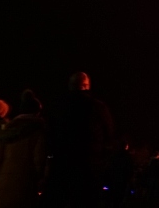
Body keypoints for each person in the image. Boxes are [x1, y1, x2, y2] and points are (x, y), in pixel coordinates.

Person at [44, 72, 114, 208]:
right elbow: (109, 133)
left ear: (70, 86)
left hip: (62, 163)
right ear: (87, 86)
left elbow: (49, 132)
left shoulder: (59, 106)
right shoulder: (98, 107)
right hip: (89, 164)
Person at [0, 89, 46, 208]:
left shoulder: (8, 131)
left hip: (4, 184)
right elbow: (39, 159)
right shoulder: (37, 131)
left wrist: (7, 173)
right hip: (25, 184)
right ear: (37, 112)